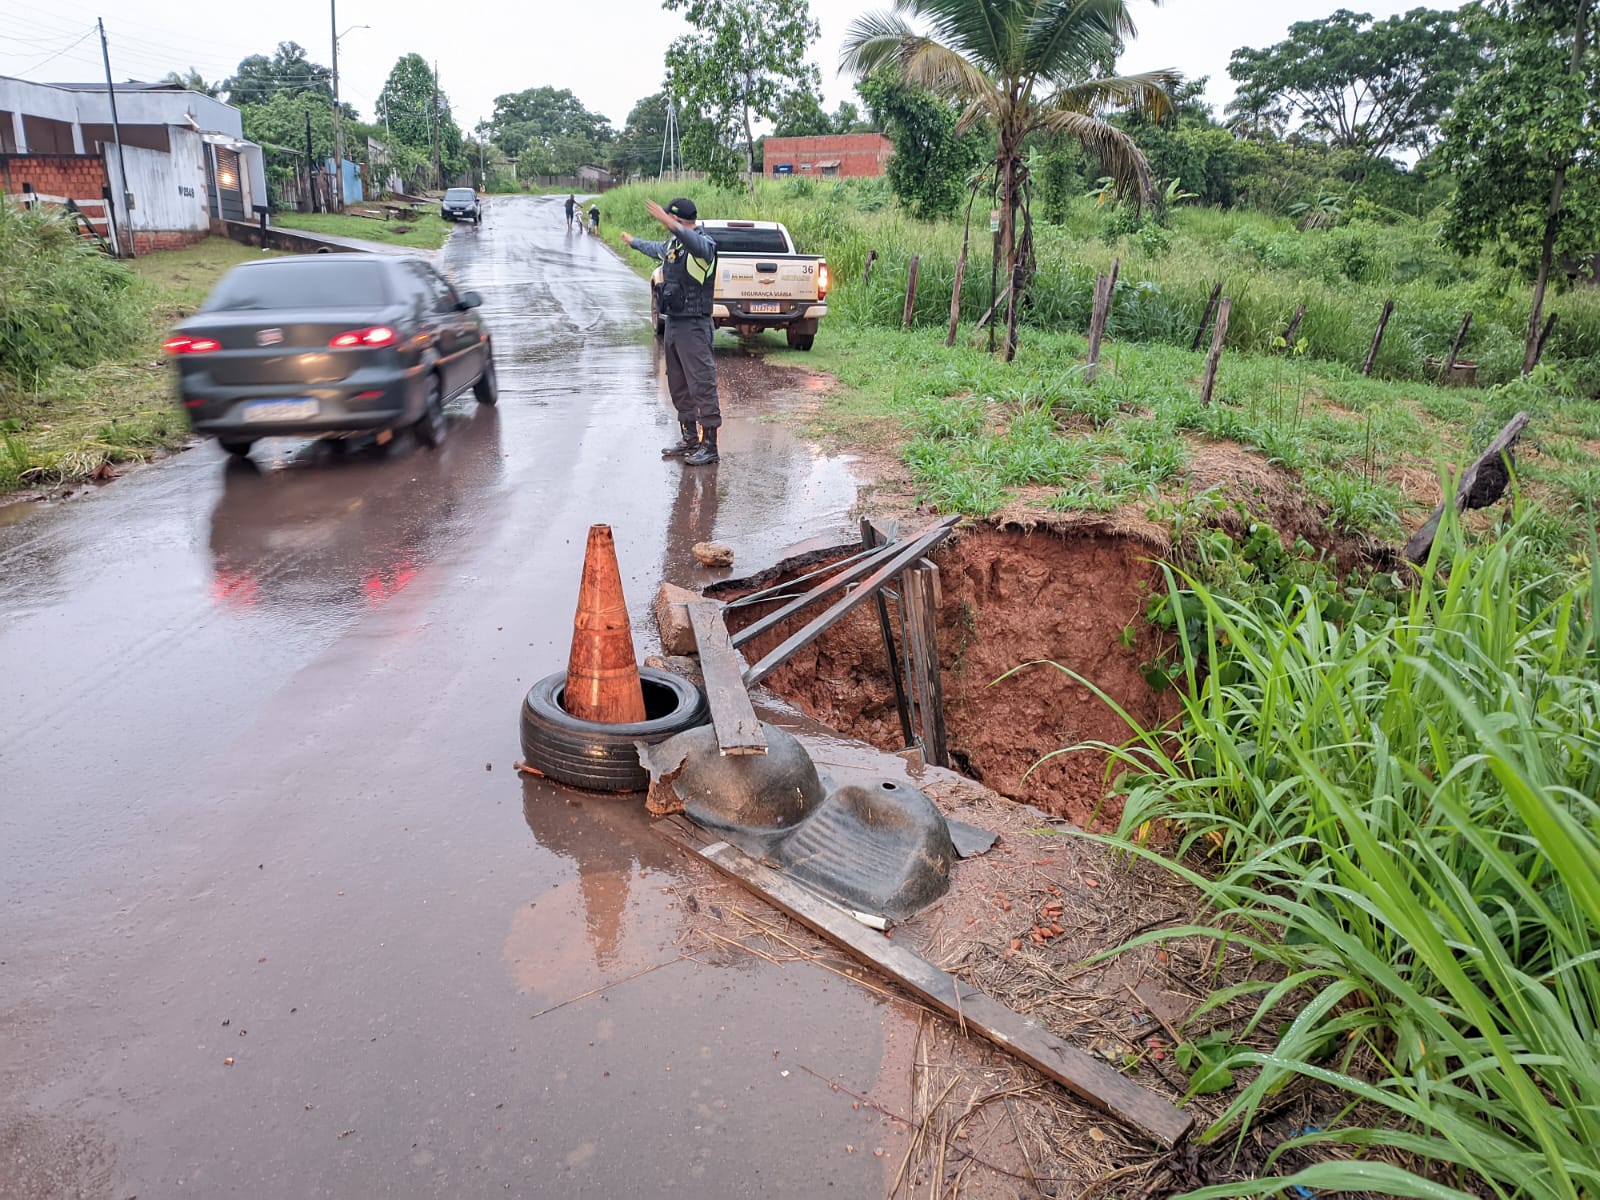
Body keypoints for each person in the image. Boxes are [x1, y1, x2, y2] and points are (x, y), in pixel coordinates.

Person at [622, 198, 721, 466]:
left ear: (677, 220)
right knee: (678, 384)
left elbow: (698, 245)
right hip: (675, 323)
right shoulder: (673, 246)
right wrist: (633, 242)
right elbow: (656, 248)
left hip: (695, 325)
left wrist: (671, 223)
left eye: (669, 220)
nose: (665, 224)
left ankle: (710, 445)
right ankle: (689, 437)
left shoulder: (704, 245)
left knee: (702, 383)